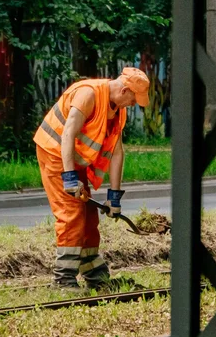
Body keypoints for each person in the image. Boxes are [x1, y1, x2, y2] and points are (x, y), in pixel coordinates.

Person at [33, 66, 150, 289]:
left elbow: (117, 152)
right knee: (71, 213)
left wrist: (114, 197)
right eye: (135, 99)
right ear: (125, 90)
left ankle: (95, 276)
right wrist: (69, 177)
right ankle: (63, 279)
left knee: (88, 214)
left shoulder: (118, 110)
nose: (135, 104)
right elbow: (67, 134)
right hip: (54, 151)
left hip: (72, 159)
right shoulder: (88, 94)